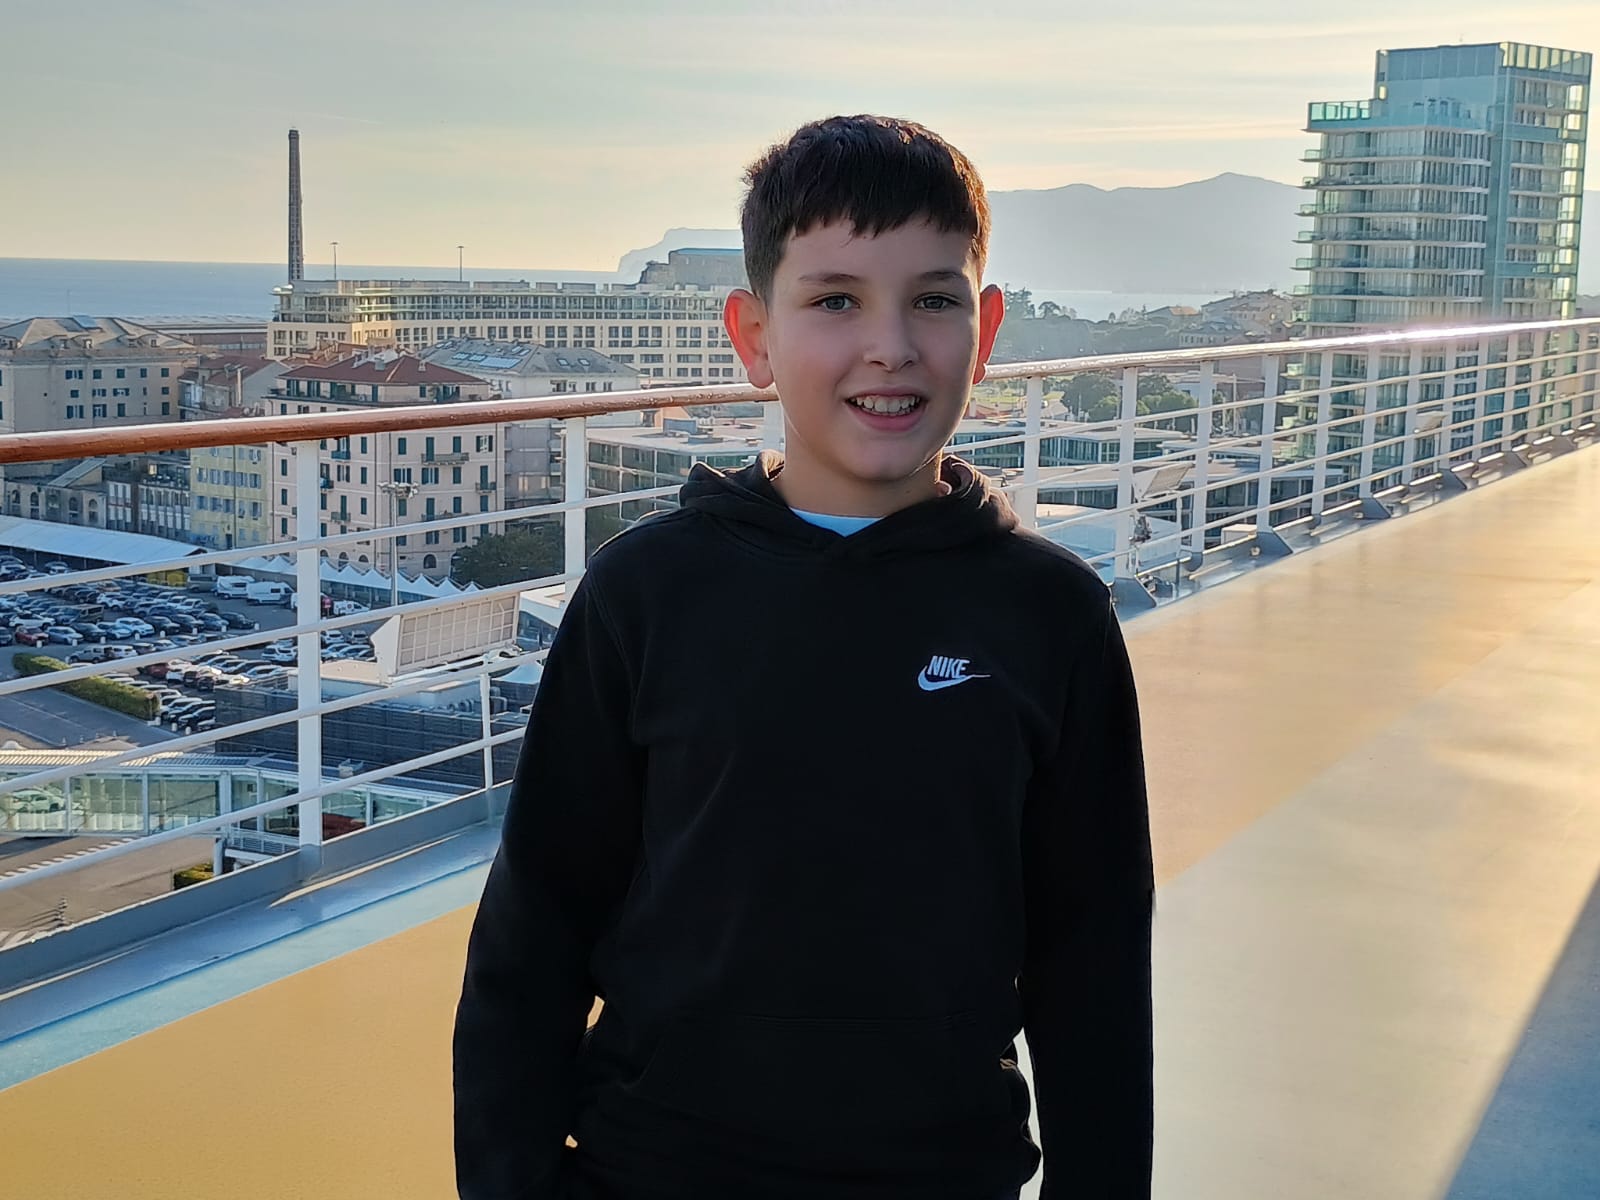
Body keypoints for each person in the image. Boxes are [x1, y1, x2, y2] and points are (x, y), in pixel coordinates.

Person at [454, 114, 1154, 1200]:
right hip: (655, 1171)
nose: (891, 346)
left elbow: (1093, 959)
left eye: (934, 299)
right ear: (754, 337)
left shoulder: (1050, 613)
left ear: (986, 329)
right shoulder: (647, 594)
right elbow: (535, 929)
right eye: (834, 300)